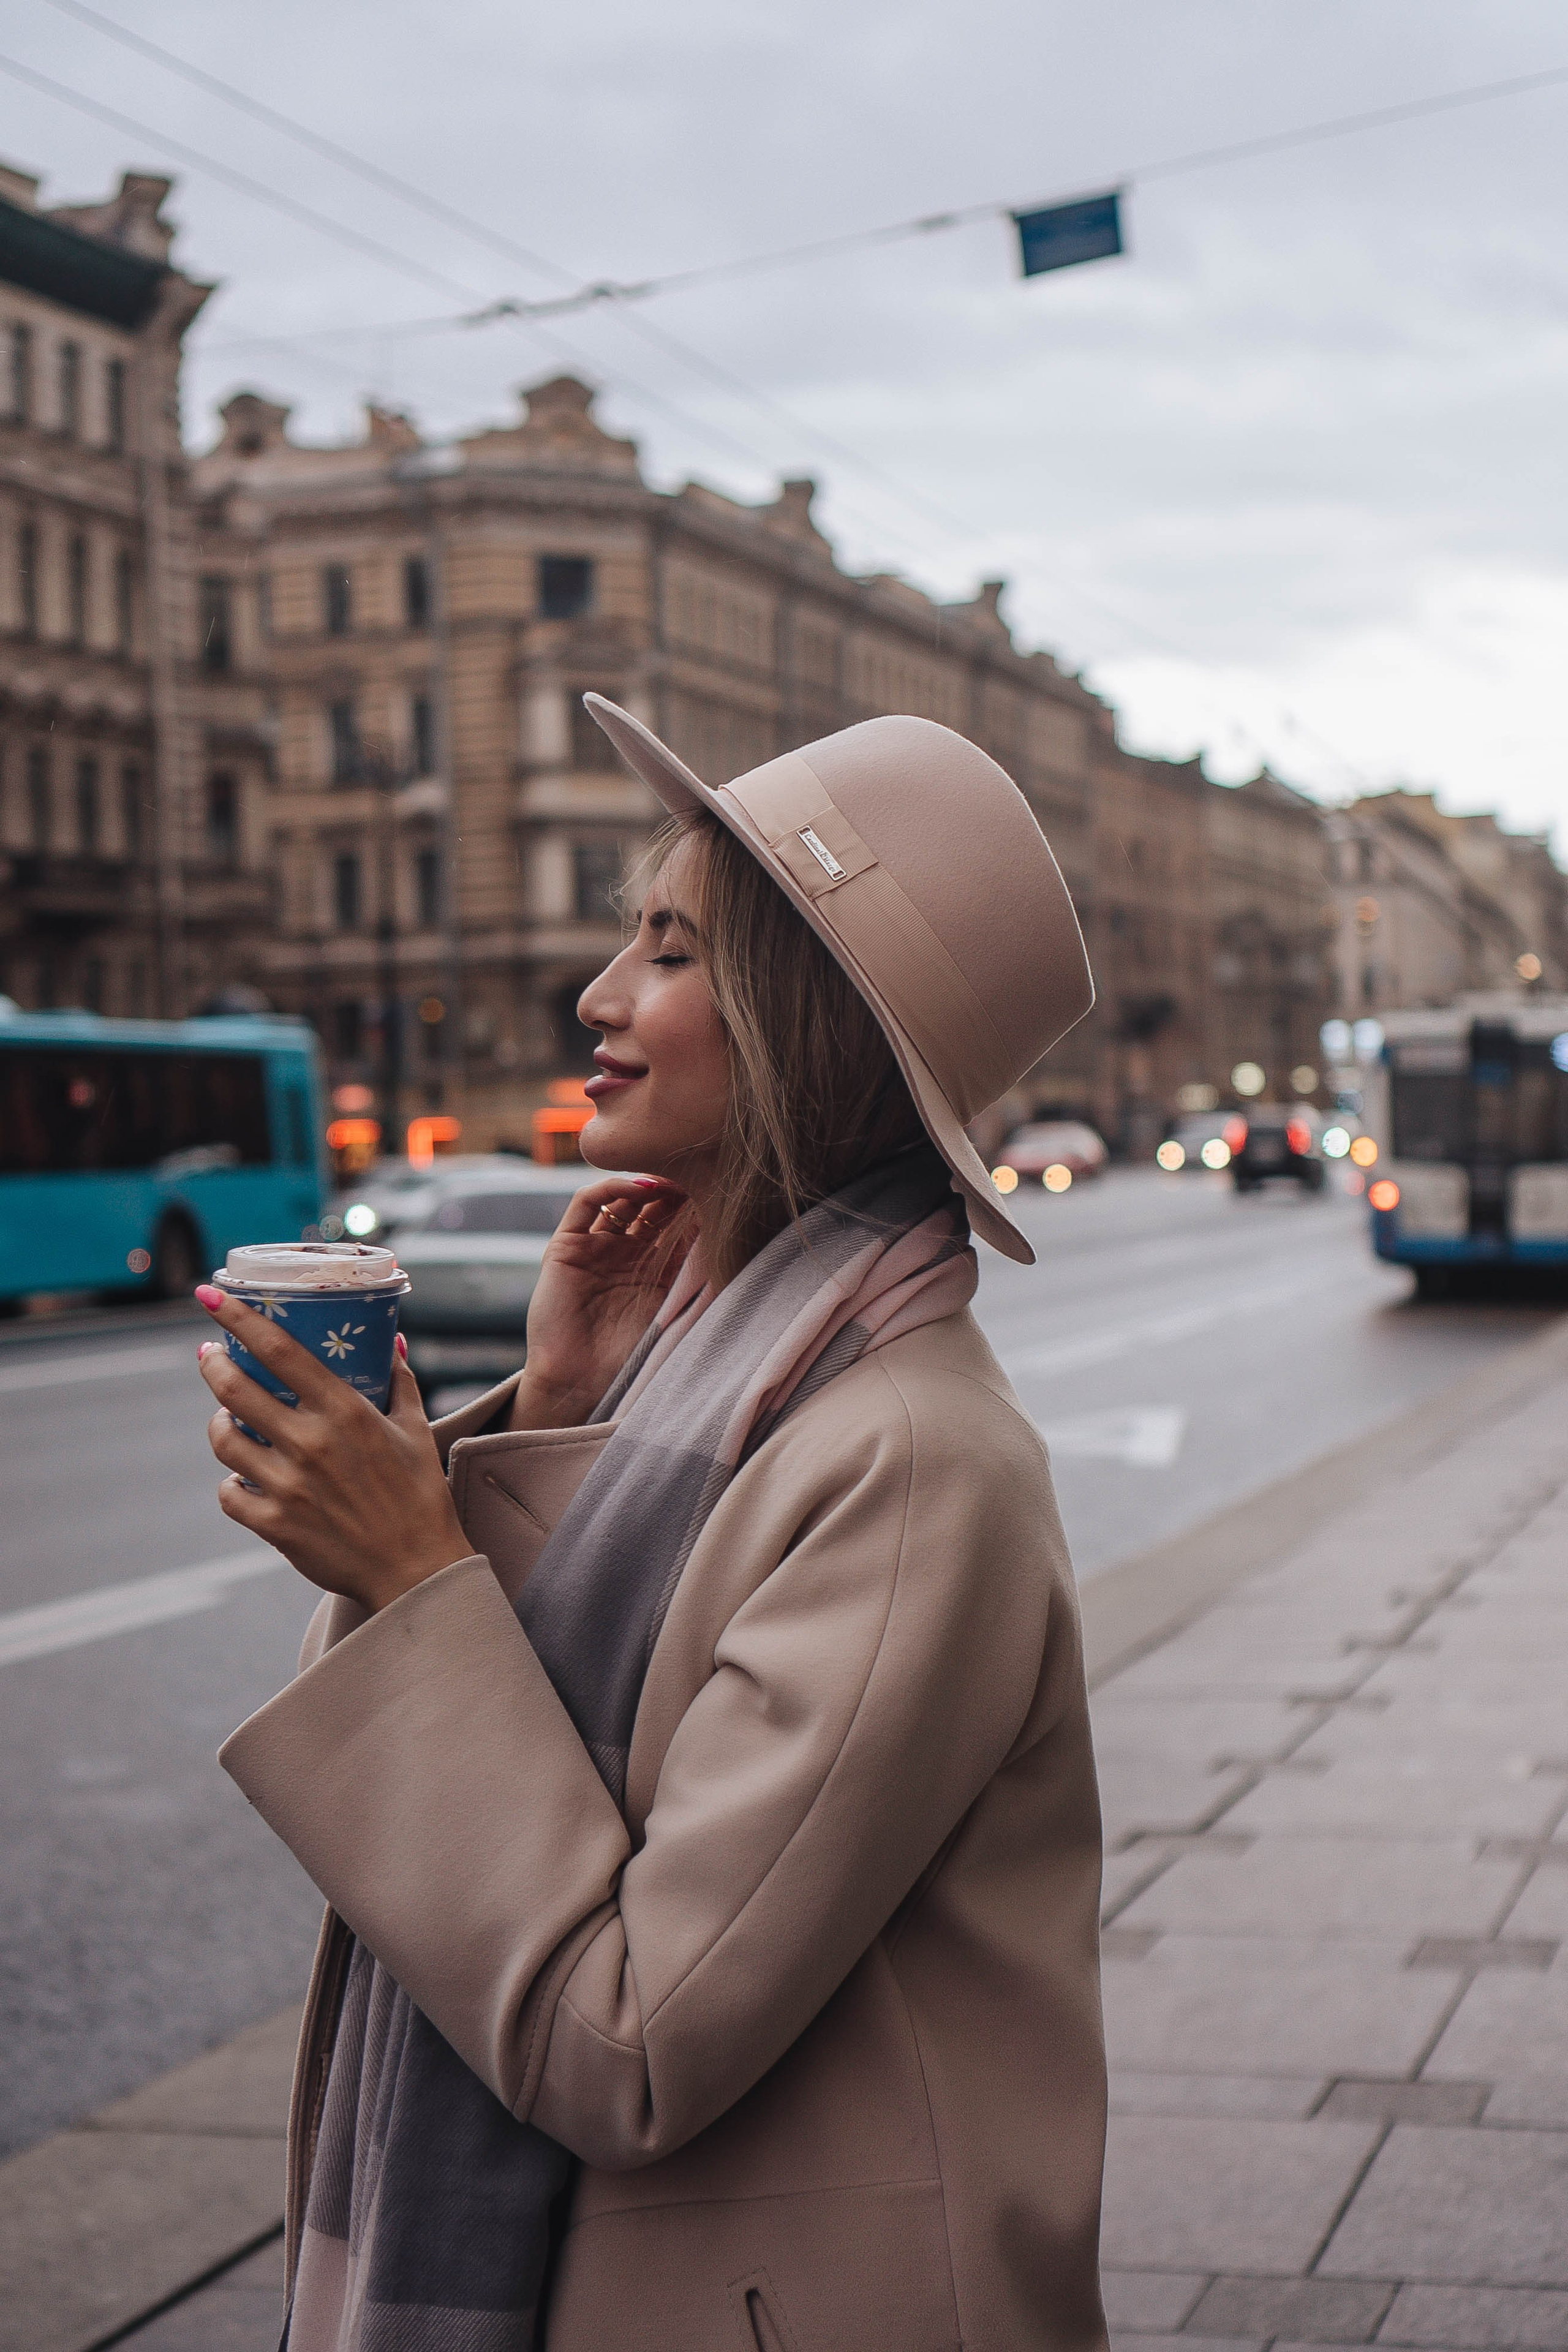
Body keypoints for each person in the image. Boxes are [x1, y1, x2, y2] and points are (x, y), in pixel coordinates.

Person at [200, 697, 1109, 2352]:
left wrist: (414, 1576)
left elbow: (628, 2044)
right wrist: (553, 1418)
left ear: (806, 1025)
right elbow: (569, 1775)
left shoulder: (911, 1462)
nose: (599, 995)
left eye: (674, 952)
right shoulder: (726, 1382)